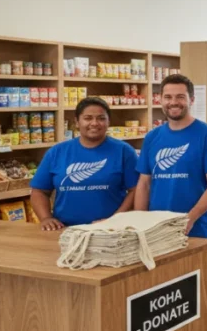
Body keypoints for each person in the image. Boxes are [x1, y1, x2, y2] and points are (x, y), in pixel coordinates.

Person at [136, 74, 207, 237]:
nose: (173, 102)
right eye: (168, 97)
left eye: (180, 97)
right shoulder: (152, 137)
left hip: (195, 229)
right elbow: (144, 184)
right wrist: (139, 223)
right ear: (160, 100)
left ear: (191, 100)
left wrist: (189, 219)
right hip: (155, 230)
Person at [30, 97, 139, 231]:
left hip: (109, 231)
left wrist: (116, 219)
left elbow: (136, 190)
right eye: (88, 118)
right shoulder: (57, 152)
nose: (94, 123)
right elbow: (39, 191)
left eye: (101, 118)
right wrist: (46, 218)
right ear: (77, 122)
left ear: (108, 122)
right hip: (65, 229)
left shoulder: (124, 151)